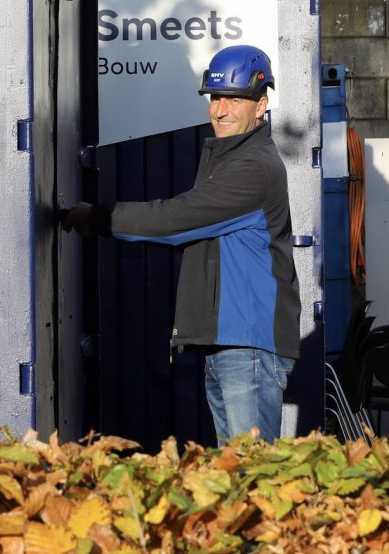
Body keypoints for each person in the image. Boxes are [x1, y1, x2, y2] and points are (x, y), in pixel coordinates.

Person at [61, 44, 301, 444]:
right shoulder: (229, 159)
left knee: (254, 472)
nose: (220, 110)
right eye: (216, 98)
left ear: (261, 106)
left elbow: (174, 220)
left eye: (234, 100)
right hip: (230, 345)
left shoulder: (253, 168)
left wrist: (96, 218)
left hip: (248, 349)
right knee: (234, 473)